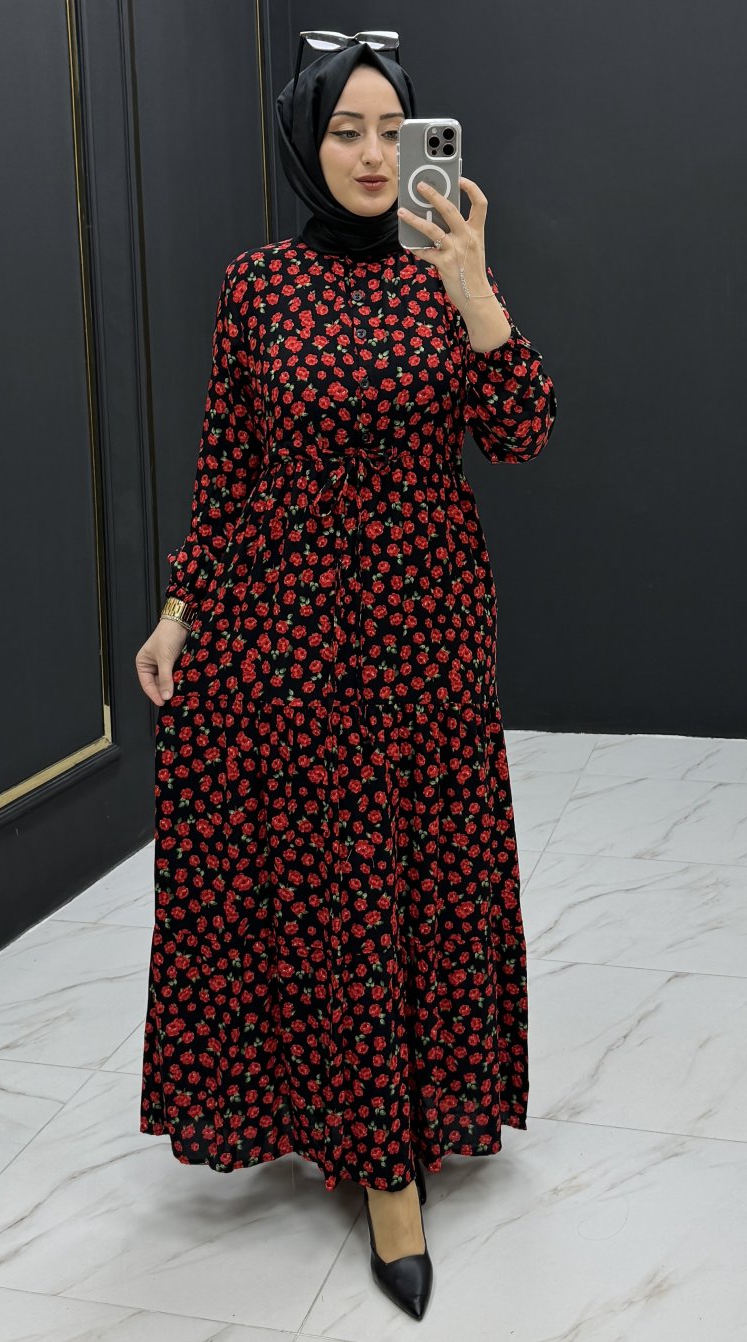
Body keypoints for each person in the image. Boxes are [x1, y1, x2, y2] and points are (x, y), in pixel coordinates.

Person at [133, 34, 556, 1322]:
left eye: (391, 130)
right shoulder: (256, 285)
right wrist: (181, 606)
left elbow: (524, 433)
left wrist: (476, 290)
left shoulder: (446, 274)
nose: (373, 156)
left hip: (425, 638)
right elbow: (227, 460)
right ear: (305, 143)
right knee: (327, 891)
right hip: (286, 640)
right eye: (345, 131)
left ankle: (403, 1145)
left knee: (410, 884)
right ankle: (364, 1152)